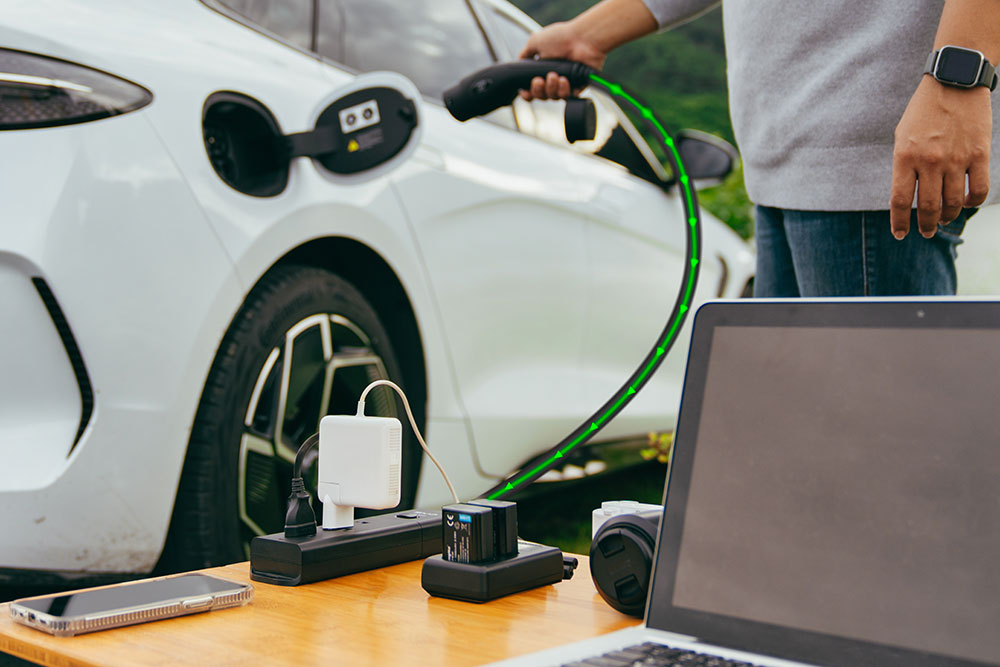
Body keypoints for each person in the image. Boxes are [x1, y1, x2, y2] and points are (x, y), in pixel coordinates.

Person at [518, 0, 1000, 297]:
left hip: (874, 154)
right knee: (807, 429)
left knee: (875, 436)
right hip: (786, 156)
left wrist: (958, 77)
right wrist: (589, 33)